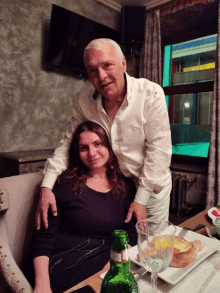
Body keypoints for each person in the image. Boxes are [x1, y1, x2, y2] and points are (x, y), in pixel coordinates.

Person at [36, 38, 172, 230]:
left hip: (150, 189)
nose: (101, 76)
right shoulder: (85, 101)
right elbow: (68, 144)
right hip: (117, 190)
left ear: (123, 63)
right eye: (92, 70)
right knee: (122, 248)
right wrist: (46, 186)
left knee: (151, 247)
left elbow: (159, 152)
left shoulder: (151, 94)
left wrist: (141, 198)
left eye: (107, 65)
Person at [30, 121, 137, 293]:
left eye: (97, 144)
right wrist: (42, 284)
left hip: (108, 260)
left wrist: (114, 265)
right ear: (77, 153)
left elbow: (131, 233)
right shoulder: (64, 182)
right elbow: (43, 236)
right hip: (66, 262)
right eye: (83, 148)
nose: (92, 153)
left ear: (109, 147)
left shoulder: (127, 186)